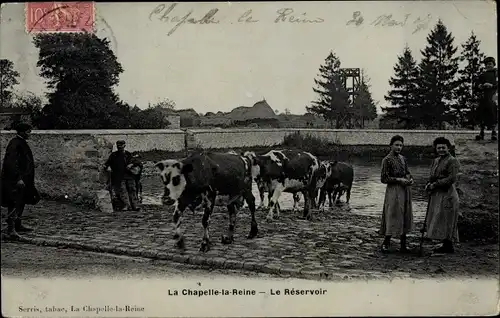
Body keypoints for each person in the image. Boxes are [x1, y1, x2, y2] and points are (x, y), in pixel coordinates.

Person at [1, 123, 40, 240]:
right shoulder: (15, 144)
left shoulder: (21, 143)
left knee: (21, 201)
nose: (29, 134)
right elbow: (11, 163)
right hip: (15, 180)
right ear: (22, 132)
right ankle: (11, 229)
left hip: (24, 179)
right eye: (28, 131)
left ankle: (18, 224)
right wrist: (18, 178)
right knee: (14, 202)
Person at [423, 137, 461, 254]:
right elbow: (432, 175)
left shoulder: (453, 161)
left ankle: (449, 245)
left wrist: (436, 184)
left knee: (448, 218)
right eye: (438, 148)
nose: (441, 150)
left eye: (443, 147)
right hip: (438, 194)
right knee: (440, 217)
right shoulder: (436, 160)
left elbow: (451, 178)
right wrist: (429, 183)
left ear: (448, 148)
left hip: (448, 193)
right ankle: (445, 243)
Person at [379, 135, 414, 253]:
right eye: (396, 145)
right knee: (393, 214)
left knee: (405, 214)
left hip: (405, 190)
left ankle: (403, 244)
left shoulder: (403, 159)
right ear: (391, 146)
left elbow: (408, 172)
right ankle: (386, 242)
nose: (399, 147)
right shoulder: (387, 160)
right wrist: (399, 180)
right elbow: (383, 178)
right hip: (393, 190)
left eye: (401, 145)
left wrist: (410, 178)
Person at [102, 140, 142, 211]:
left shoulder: (128, 154)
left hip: (130, 175)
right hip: (119, 177)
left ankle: (135, 205)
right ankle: (127, 206)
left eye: (121, 146)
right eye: (118, 146)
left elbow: (137, 162)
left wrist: (132, 164)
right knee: (123, 191)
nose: (119, 147)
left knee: (132, 190)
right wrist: (106, 167)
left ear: (124, 146)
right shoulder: (114, 155)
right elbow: (107, 163)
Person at [475, 56, 498, 141]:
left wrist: (492, 85)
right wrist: (480, 86)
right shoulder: (482, 75)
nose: (489, 66)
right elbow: (477, 84)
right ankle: (481, 133)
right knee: (482, 113)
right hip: (484, 96)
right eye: (487, 64)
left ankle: (494, 132)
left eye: (490, 64)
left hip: (494, 96)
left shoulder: (496, 74)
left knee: (493, 113)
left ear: (493, 64)